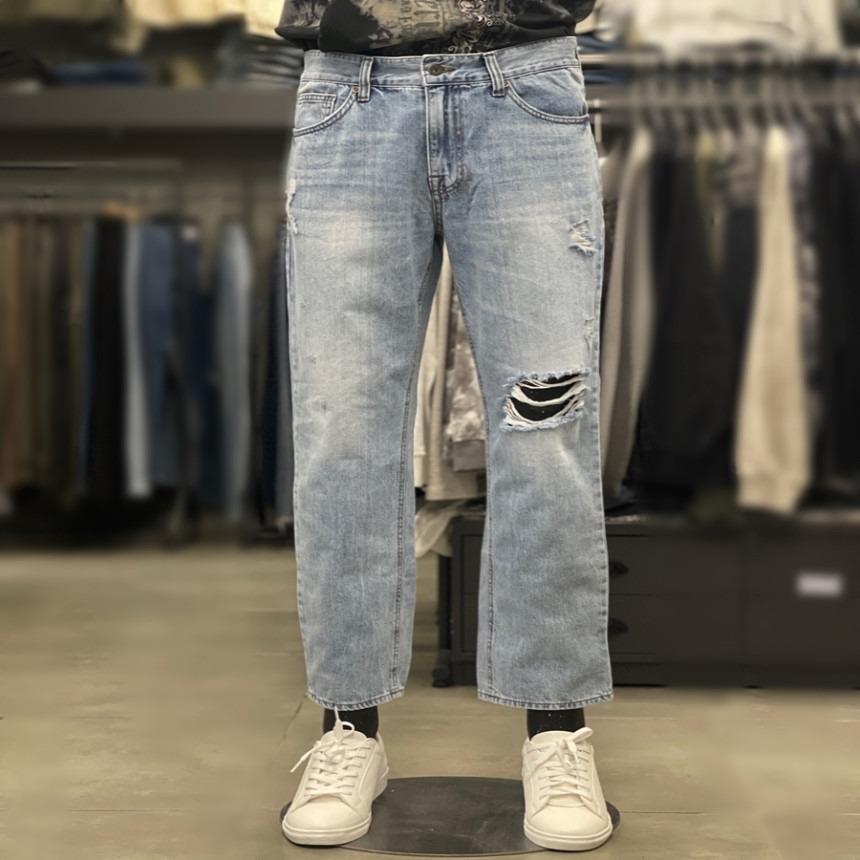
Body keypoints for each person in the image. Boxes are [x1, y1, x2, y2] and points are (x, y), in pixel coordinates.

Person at [275, 0, 615, 851]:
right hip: (349, 95)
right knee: (343, 434)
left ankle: (556, 731)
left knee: (547, 425)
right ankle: (348, 728)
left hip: (525, 87)